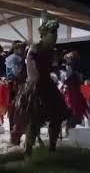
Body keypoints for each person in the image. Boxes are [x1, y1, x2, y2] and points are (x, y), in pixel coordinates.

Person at [13, 19, 70, 157]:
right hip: (36, 87)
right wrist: (35, 85)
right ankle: (28, 152)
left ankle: (52, 149)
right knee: (34, 120)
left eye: (56, 34)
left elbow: (51, 68)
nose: (55, 36)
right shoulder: (35, 49)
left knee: (57, 116)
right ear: (44, 35)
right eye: (52, 33)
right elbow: (31, 70)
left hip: (48, 86)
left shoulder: (51, 51)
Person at [61, 51, 90, 136]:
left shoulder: (75, 69)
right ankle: (68, 131)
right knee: (74, 114)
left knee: (76, 115)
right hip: (71, 94)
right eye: (71, 59)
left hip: (75, 94)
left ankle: (69, 131)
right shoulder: (69, 69)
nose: (72, 61)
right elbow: (67, 82)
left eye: (73, 59)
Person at [5, 41, 27, 140]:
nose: (22, 51)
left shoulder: (16, 58)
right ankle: (15, 131)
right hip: (16, 85)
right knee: (15, 108)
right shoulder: (15, 59)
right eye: (21, 49)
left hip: (15, 84)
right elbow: (16, 73)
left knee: (15, 109)